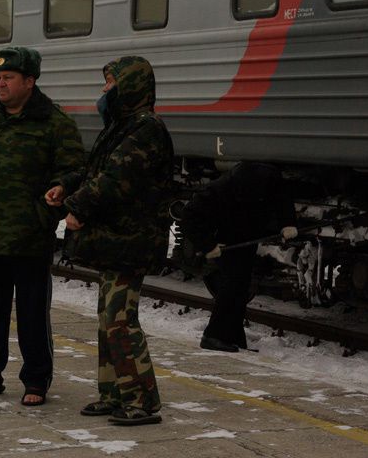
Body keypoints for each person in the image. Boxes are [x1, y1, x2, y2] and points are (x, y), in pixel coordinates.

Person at [0, 47, 85, 406]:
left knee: (32, 315)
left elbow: (74, 169)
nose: (0, 83)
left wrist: (56, 196)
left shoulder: (54, 122)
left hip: (29, 236)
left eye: (8, 78)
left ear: (29, 81)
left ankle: (36, 379)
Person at [45, 56, 174, 426]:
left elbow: (115, 180)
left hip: (132, 240)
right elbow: (94, 172)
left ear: (128, 87)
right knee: (107, 318)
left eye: (109, 85)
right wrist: (67, 186)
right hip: (117, 239)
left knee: (119, 319)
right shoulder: (124, 126)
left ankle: (143, 401)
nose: (103, 92)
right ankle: (114, 393)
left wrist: (78, 208)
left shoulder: (146, 130)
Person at [180, 162, 298, 352]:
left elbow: (282, 199)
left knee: (240, 286)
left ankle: (234, 337)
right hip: (224, 238)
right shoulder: (219, 190)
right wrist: (208, 245)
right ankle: (213, 336)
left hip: (247, 235)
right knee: (232, 285)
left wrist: (288, 224)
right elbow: (189, 216)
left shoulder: (269, 180)